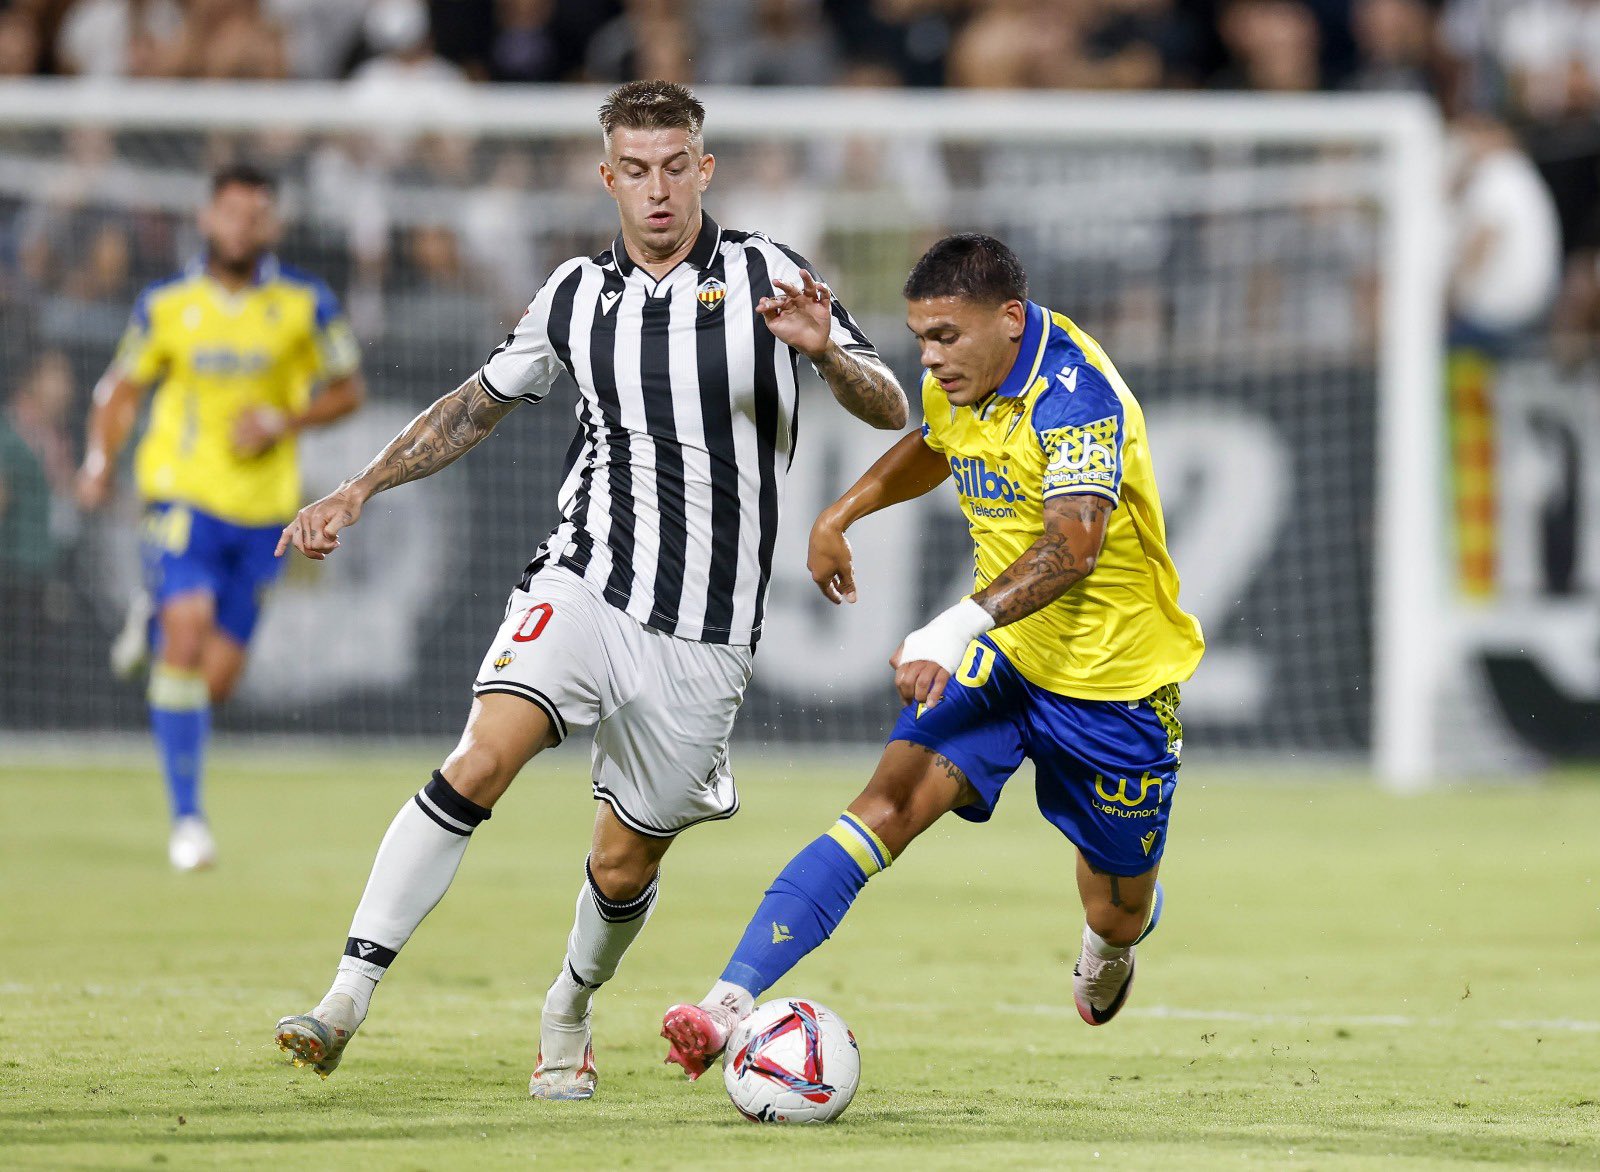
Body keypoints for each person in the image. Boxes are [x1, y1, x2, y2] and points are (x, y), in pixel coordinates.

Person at [271, 80, 907, 1100]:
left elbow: (891, 404)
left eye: (676, 167)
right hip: (586, 577)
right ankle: (344, 995)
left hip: (706, 632)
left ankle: (568, 1002)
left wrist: (830, 352)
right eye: (636, 170)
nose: (657, 190)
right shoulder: (572, 295)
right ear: (608, 175)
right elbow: (474, 405)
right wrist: (359, 486)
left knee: (621, 865)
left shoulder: (768, 273)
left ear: (704, 168)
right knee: (480, 756)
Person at [660, 234, 1205, 1076]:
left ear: (1010, 321)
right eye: (920, 337)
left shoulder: (1078, 396)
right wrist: (840, 514)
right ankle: (724, 1006)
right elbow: (935, 442)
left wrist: (952, 628)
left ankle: (1115, 939)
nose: (930, 357)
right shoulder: (967, 376)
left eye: (946, 335)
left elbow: (1076, 545)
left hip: (1115, 686)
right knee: (885, 805)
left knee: (1117, 907)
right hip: (1008, 659)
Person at [74, 163, 365, 870]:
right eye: (231, 213)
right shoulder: (166, 304)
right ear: (207, 218)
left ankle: (152, 618)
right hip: (183, 496)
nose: (243, 226)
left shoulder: (307, 304)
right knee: (187, 629)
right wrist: (98, 462)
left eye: (256, 215)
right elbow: (119, 388)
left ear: (273, 225)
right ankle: (188, 822)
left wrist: (285, 419)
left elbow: (350, 388)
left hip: (264, 513)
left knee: (217, 681)